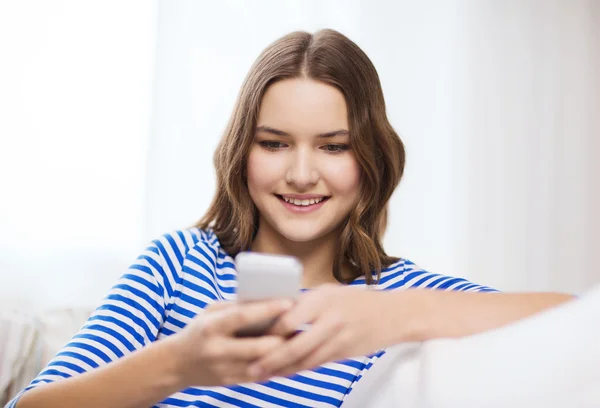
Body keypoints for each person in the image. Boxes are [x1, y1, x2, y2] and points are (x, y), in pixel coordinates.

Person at [8, 29, 573, 408]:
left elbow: (576, 322)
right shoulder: (181, 263)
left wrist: (396, 313)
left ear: (371, 158)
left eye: (333, 147)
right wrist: (182, 363)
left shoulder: (392, 300)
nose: (302, 175)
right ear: (242, 153)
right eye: (275, 143)